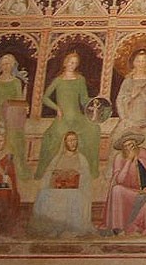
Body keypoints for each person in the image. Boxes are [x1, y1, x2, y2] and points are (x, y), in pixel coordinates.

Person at [36, 51, 100, 179]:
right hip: (63, 118)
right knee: (51, 138)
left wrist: (94, 102)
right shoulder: (58, 80)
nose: (72, 65)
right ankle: (44, 172)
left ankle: (90, 171)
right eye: (71, 62)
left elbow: (84, 100)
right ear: (65, 63)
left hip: (77, 117)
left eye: (75, 63)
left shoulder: (80, 79)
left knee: (94, 130)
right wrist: (57, 108)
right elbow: (45, 98)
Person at [30, 130, 94, 237]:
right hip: (58, 189)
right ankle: (53, 227)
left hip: (75, 190)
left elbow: (86, 178)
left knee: (72, 196)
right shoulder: (58, 158)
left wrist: (75, 176)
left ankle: (70, 228)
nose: (73, 143)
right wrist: (56, 177)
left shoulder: (81, 159)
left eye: (74, 140)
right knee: (43, 194)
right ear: (65, 143)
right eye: (70, 141)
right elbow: (49, 174)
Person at [102, 131, 146, 235]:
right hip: (129, 192)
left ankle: (143, 226)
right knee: (116, 189)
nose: (129, 148)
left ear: (136, 145)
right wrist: (129, 160)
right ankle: (118, 228)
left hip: (145, 190)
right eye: (126, 146)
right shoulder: (119, 157)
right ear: (122, 148)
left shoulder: (143, 152)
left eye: (131, 145)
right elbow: (119, 180)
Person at [112, 48, 146, 162]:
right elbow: (120, 100)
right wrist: (131, 97)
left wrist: (143, 94)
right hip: (129, 118)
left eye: (143, 61)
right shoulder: (127, 81)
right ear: (133, 63)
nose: (141, 64)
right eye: (138, 61)